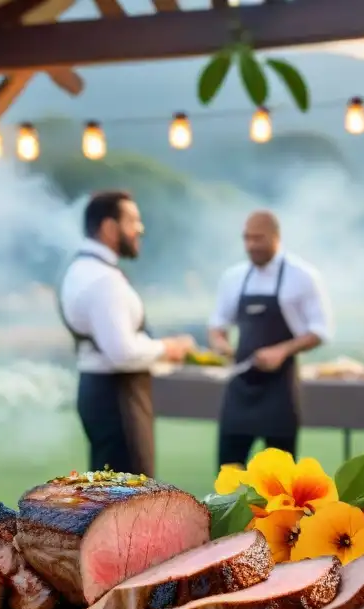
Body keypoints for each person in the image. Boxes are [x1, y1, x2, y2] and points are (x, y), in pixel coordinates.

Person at [58, 190, 195, 476]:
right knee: (132, 497)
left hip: (98, 390)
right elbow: (122, 353)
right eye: (133, 221)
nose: (139, 230)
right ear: (109, 227)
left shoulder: (80, 269)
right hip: (118, 396)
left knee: (107, 494)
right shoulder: (103, 280)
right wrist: (167, 348)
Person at [209, 210, 333, 467]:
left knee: (280, 482)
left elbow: (321, 330)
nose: (251, 246)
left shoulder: (303, 276)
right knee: (228, 476)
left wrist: (282, 351)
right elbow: (217, 326)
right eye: (247, 239)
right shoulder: (233, 277)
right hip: (239, 388)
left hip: (280, 392)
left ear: (276, 237)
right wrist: (221, 345)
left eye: (258, 239)